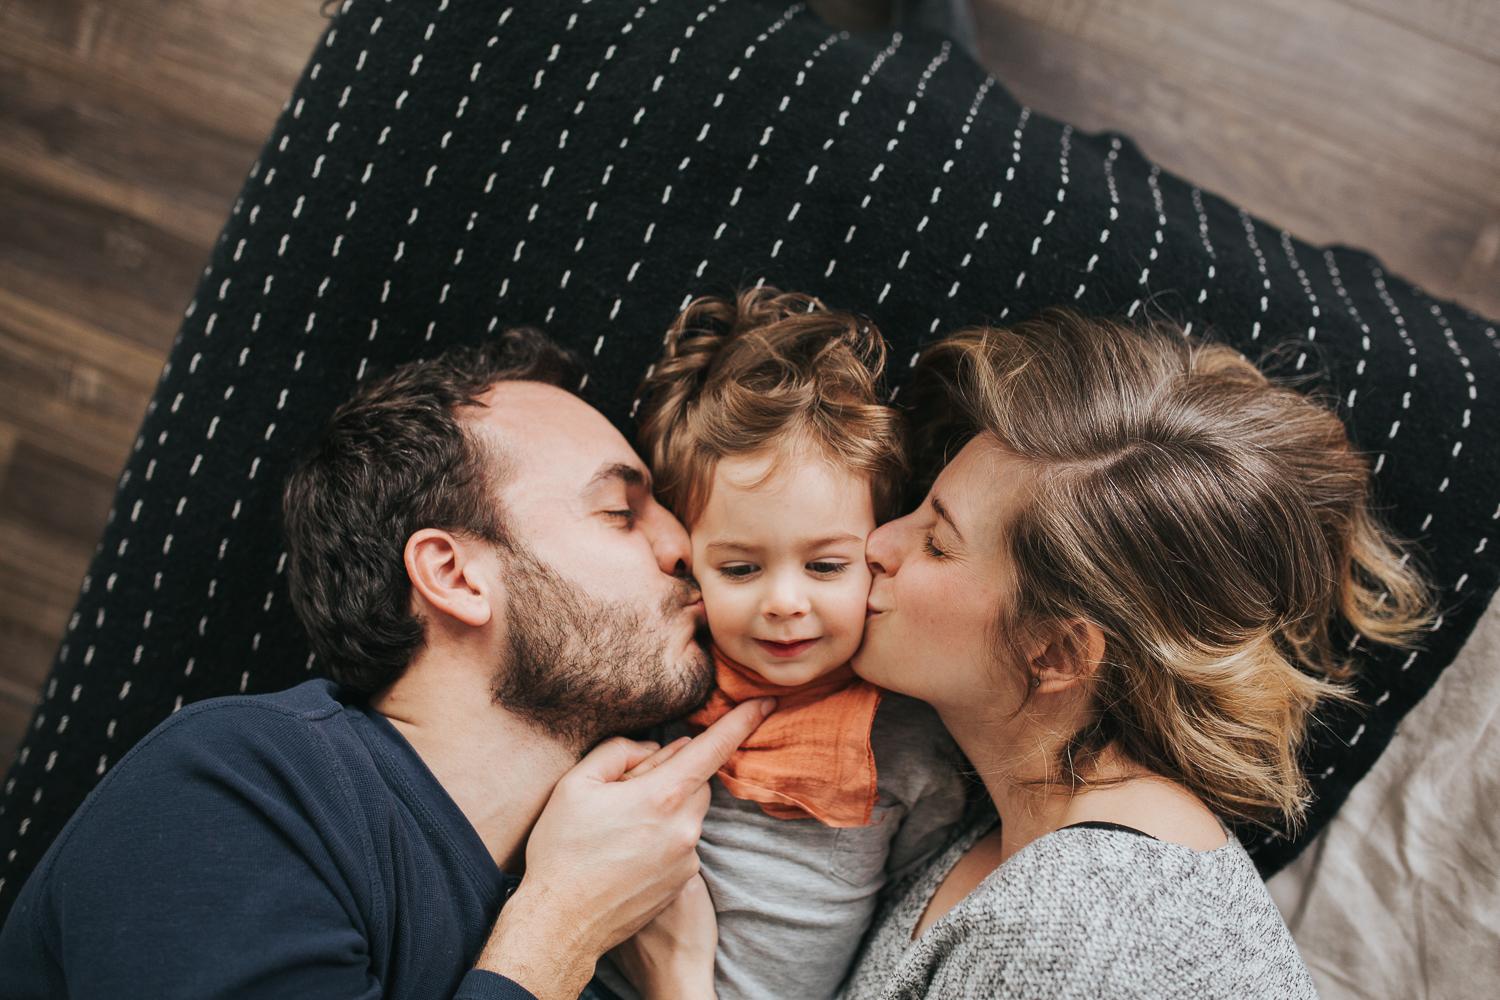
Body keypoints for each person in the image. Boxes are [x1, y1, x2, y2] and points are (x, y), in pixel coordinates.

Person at [627, 308, 1432, 999]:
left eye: (936, 541)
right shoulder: (991, 823)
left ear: (1054, 653)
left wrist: (678, 972)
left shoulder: (1089, 937)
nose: (879, 543)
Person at [0, 328, 774, 1000]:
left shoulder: (647, 898)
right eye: (619, 511)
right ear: (455, 575)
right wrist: (562, 925)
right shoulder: (234, 790)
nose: (683, 546)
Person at [598, 289, 964, 1000]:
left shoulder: (914, 737)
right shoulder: (662, 684)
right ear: (687, 558)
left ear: (878, 554)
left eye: (826, 566)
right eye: (740, 568)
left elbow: (910, 904)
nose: (786, 603)